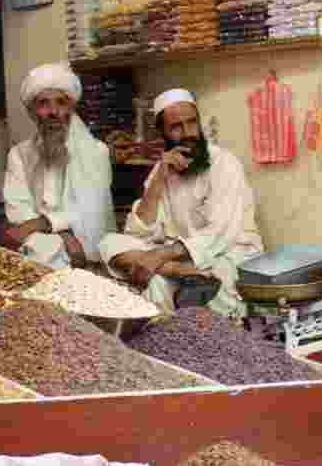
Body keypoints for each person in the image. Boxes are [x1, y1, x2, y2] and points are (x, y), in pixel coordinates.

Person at [98, 89, 263, 316]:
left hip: (227, 255)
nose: (188, 133)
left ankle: (178, 283)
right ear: (163, 133)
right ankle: (177, 275)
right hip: (180, 261)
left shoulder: (224, 164)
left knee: (170, 279)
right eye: (176, 127)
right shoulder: (162, 169)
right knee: (109, 243)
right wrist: (159, 179)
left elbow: (220, 233)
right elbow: (138, 232)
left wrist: (159, 256)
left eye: (192, 123)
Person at [2, 63, 115, 268]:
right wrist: (63, 234)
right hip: (40, 240)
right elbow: (18, 211)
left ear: (71, 109)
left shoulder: (97, 151)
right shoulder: (19, 154)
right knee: (42, 250)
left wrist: (45, 223)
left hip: (86, 237)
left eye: (61, 102)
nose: (53, 112)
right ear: (32, 112)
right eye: (43, 103)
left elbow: (91, 210)